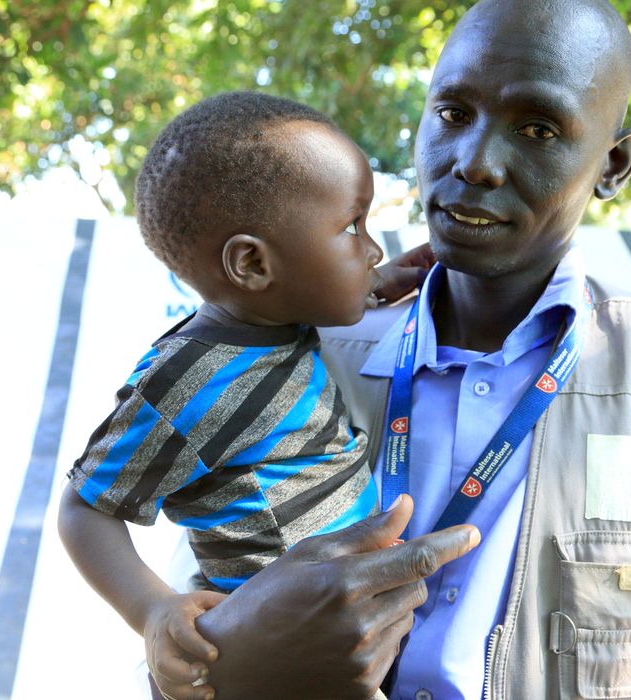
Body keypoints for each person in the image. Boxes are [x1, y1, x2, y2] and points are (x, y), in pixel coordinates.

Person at [191, 1, 631, 699]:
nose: (473, 163)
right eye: (452, 114)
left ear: (615, 163)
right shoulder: (296, 358)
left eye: (537, 128)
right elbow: (184, 645)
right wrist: (239, 654)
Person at [57, 91, 480, 700]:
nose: (373, 247)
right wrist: (153, 614)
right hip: (289, 661)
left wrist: (376, 282)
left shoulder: (275, 321)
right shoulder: (189, 384)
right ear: (252, 264)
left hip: (356, 632)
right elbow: (84, 508)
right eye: (351, 227)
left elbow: (318, 286)